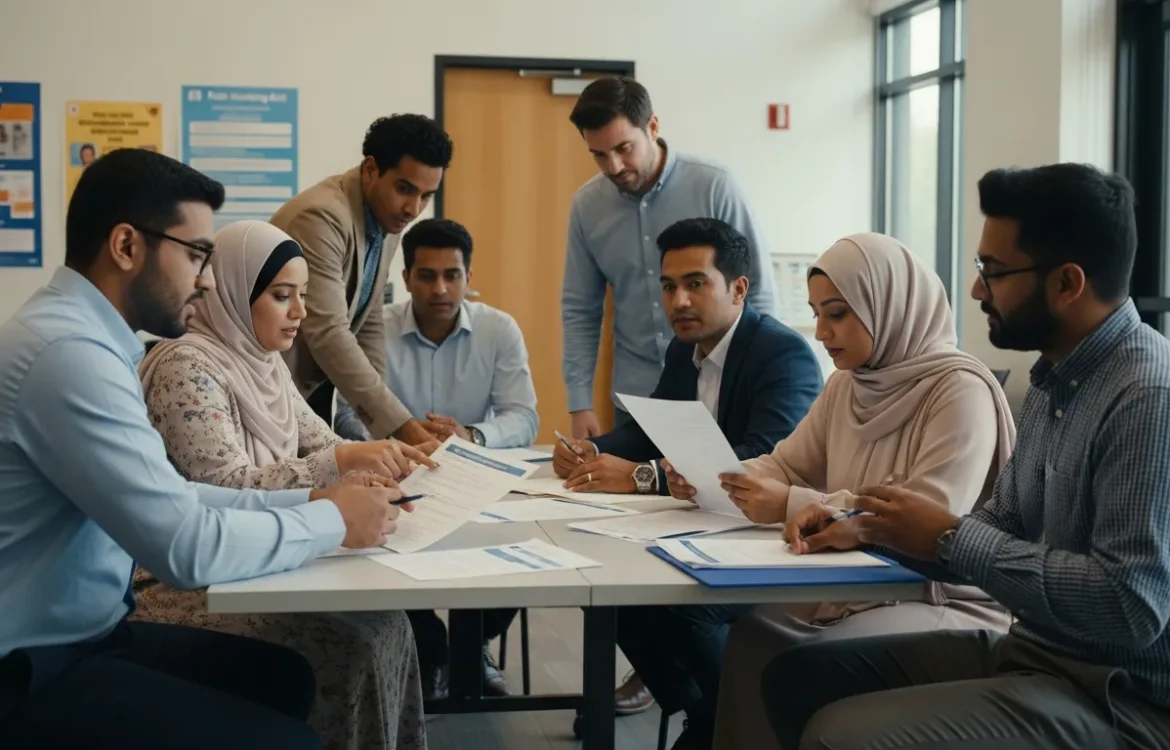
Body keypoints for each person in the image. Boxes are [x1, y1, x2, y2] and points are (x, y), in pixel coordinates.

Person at [0, 148, 402, 749]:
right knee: (289, 740)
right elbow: (184, 548)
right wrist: (331, 520)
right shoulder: (69, 356)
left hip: (93, 634)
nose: (208, 279)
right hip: (34, 667)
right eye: (196, 255)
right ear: (127, 247)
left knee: (286, 680)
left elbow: (178, 497)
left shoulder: (87, 340)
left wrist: (319, 500)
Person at [761, 163, 1170, 750]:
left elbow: (1131, 605)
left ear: (1067, 283)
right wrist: (868, 530)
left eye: (994, 272)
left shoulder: (1144, 397)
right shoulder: (1056, 381)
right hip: (1038, 655)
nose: (977, 290)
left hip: (1115, 696)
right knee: (795, 679)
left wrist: (950, 537)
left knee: (840, 734)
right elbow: (1000, 523)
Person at [647, 232, 1016, 750]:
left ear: (888, 306)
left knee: (794, 658)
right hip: (855, 583)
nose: (820, 331)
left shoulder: (959, 389)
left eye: (837, 314)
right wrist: (714, 475)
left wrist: (792, 504)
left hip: (938, 594)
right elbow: (786, 464)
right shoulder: (849, 383)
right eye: (818, 313)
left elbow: (928, 517)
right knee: (753, 638)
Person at [137, 219, 436, 750]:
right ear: (232, 290)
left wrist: (374, 470)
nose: (299, 311)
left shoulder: (264, 362)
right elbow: (224, 485)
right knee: (349, 645)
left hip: (257, 560)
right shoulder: (186, 364)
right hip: (181, 579)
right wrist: (342, 464)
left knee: (390, 623)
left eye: (302, 295)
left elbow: (320, 448)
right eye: (282, 296)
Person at [554, 217, 821, 721]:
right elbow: (652, 427)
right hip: (709, 524)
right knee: (617, 600)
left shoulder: (782, 353)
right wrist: (590, 451)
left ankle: (735, 718)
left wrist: (640, 477)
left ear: (738, 289)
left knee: (678, 609)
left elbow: (764, 458)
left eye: (696, 284)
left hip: (772, 533)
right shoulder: (685, 349)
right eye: (670, 286)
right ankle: (704, 710)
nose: (678, 301)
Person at [335, 217, 537, 698]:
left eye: (453, 274)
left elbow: (524, 417)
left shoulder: (498, 329)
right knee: (383, 547)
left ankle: (470, 646)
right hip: (396, 480)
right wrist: (389, 449)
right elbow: (346, 413)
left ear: (469, 276)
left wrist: (473, 435)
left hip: (475, 479)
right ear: (405, 280)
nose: (441, 288)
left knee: (521, 540)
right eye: (427, 275)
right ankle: (429, 648)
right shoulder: (374, 330)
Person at [561, 77, 776, 440]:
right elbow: (580, 308)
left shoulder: (715, 185)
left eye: (624, 148)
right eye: (599, 155)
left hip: (721, 390)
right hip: (637, 400)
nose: (613, 166)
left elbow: (756, 289)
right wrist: (579, 402)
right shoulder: (587, 206)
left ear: (653, 127)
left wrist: (763, 380)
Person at [270, 114, 453, 446]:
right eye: (405, 189)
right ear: (371, 169)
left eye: (427, 196)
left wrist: (380, 422)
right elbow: (328, 332)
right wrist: (401, 425)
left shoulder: (387, 217)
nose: (414, 209)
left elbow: (368, 321)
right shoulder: (322, 217)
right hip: (265, 385)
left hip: (303, 390)